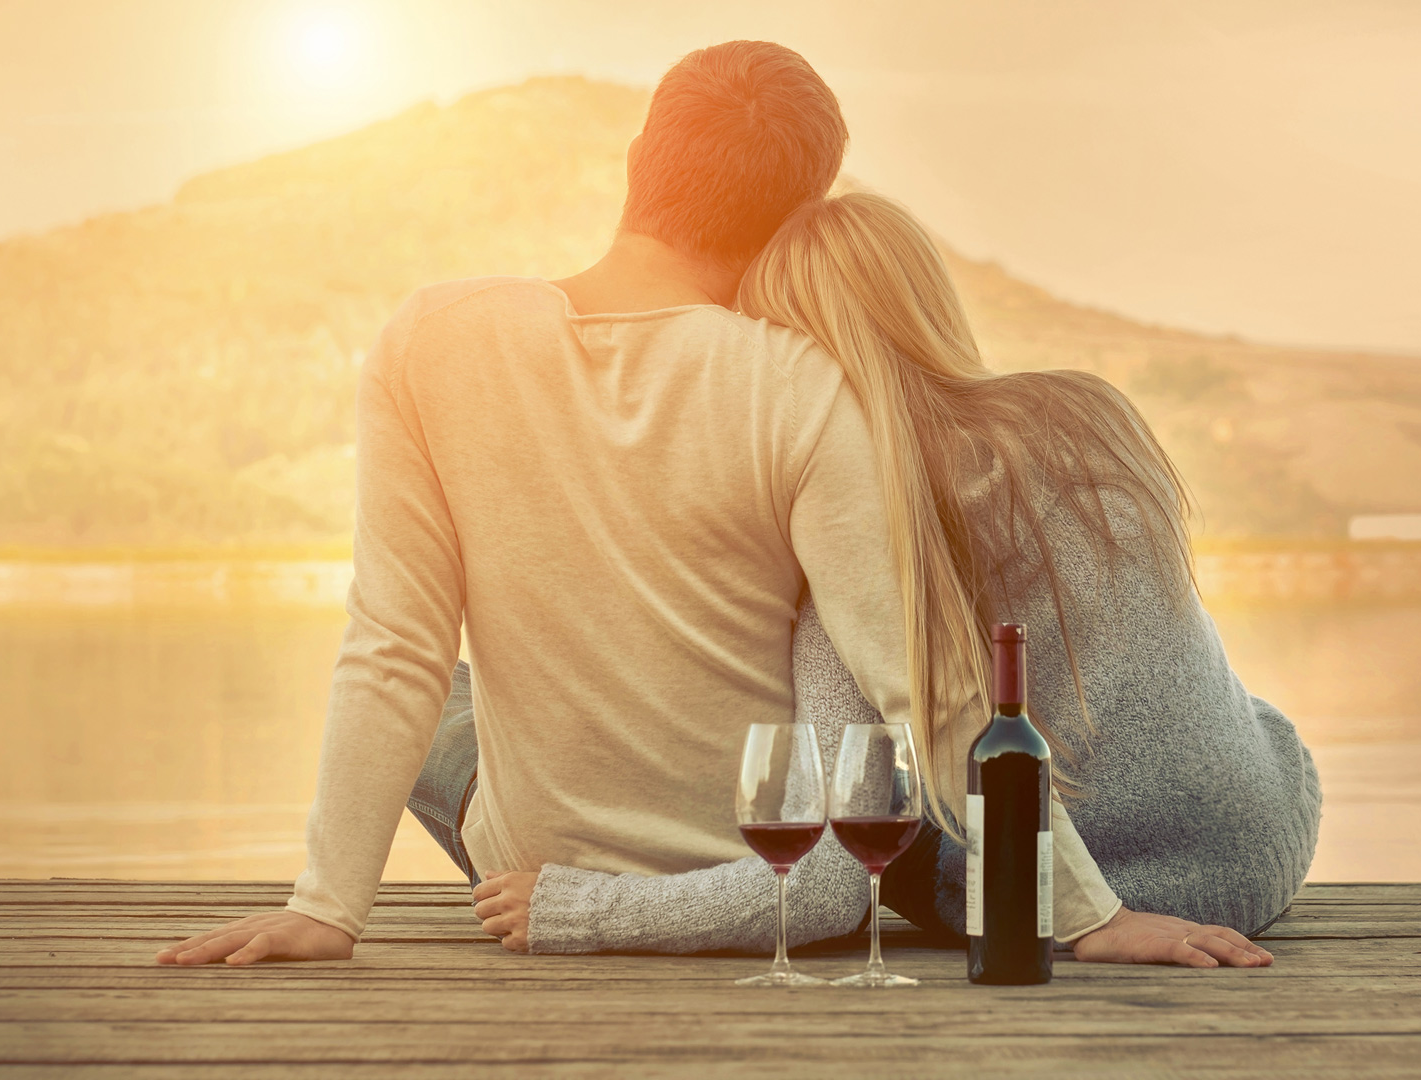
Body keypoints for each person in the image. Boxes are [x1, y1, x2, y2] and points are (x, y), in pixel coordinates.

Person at [156, 41, 1263, 970]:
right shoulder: (805, 388)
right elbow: (917, 684)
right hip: (761, 858)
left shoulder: (429, 340)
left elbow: (391, 645)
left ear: (638, 159)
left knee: (444, 693)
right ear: (800, 211)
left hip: (535, 869)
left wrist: (326, 905)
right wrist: (1091, 914)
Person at [481, 194, 1320, 963]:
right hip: (1256, 846)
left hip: (1026, 903)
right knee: (1236, 704)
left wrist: (577, 909)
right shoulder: (1096, 415)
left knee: (461, 710)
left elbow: (821, 892)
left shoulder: (853, 533)